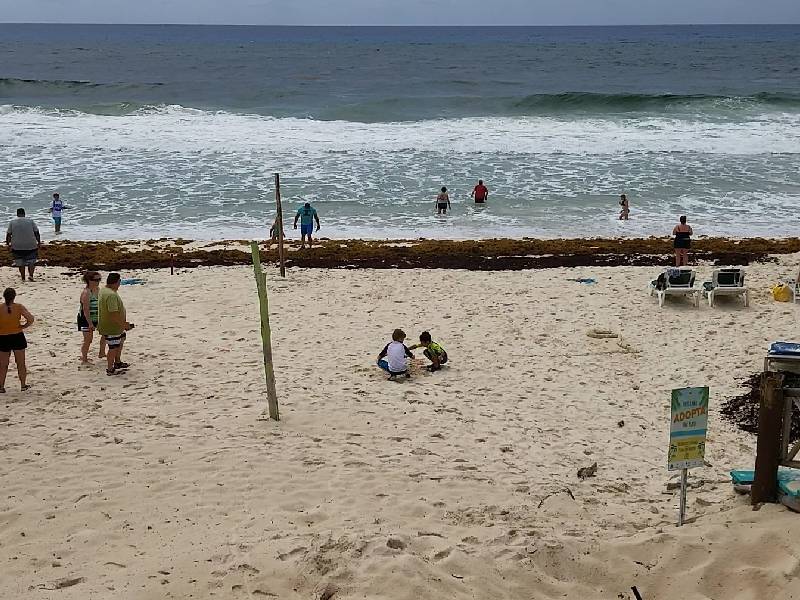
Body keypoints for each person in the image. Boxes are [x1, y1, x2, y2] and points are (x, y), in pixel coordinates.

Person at [98, 272, 133, 376]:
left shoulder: (104, 290)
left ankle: (117, 362)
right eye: (119, 282)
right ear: (116, 282)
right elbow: (113, 314)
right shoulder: (111, 295)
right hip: (112, 327)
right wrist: (124, 325)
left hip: (112, 325)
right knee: (113, 347)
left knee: (120, 341)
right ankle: (110, 369)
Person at [0, 288, 34, 393]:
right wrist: (23, 326)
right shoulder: (19, 307)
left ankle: (1, 386)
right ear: (14, 297)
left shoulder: (0, 308)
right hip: (17, 336)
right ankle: (23, 385)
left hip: (3, 337)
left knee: (3, 364)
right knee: (20, 363)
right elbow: (31, 319)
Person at [6, 208, 41, 282]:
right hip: (30, 244)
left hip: (17, 246)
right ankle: (31, 276)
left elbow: (8, 234)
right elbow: (36, 232)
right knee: (31, 261)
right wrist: (39, 242)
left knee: (20, 262)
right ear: (24, 213)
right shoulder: (30, 221)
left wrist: (8, 244)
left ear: (17, 214)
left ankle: (23, 277)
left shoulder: (12, 222)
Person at [78, 270, 102, 364]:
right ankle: (84, 358)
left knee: (104, 335)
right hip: (85, 319)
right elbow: (85, 310)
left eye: (99, 279)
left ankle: (101, 352)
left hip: (96, 317)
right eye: (96, 280)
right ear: (89, 280)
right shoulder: (86, 293)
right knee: (88, 340)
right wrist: (90, 323)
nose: (98, 282)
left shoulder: (98, 289)